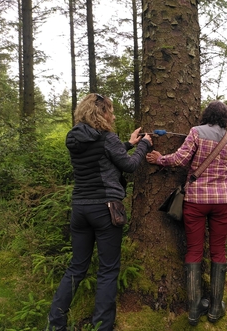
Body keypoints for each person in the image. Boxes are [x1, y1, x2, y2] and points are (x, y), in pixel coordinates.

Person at [47, 93, 153, 331]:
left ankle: (55, 323)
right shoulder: (107, 137)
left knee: (77, 267)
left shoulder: (74, 138)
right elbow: (129, 166)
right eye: (110, 111)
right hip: (106, 210)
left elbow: (103, 157)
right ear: (101, 113)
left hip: (80, 209)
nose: (113, 115)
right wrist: (145, 145)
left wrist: (129, 144)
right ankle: (101, 327)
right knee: (108, 270)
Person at [146, 101, 227, 326]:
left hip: (196, 200)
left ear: (207, 115)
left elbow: (180, 159)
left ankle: (194, 310)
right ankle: (216, 309)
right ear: (226, 119)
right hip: (222, 201)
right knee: (219, 251)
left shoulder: (196, 132)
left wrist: (159, 159)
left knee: (195, 250)